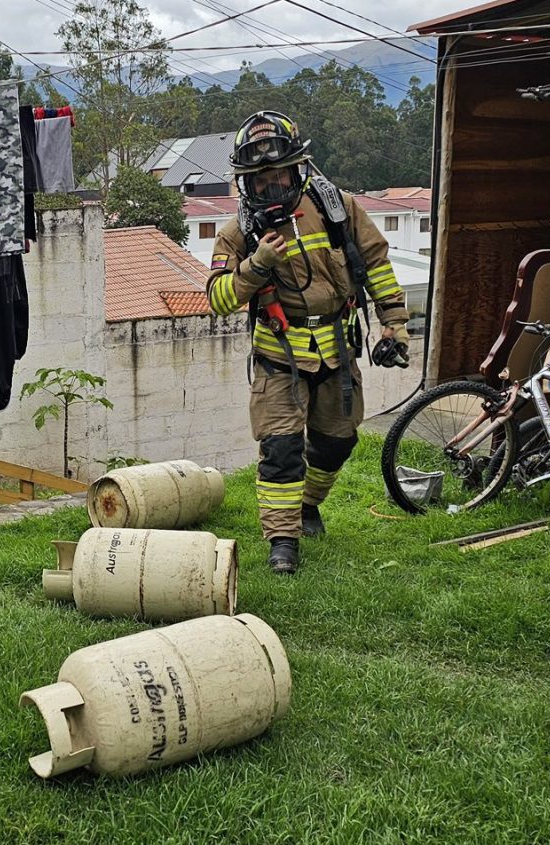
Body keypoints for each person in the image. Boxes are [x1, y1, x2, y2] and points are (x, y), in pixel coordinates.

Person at [206, 111, 410, 575]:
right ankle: (283, 542)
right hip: (279, 357)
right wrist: (256, 264)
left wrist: (394, 322)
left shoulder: (336, 207)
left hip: (337, 348)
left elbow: (375, 261)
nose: (272, 185)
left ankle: (308, 504)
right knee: (280, 450)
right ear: (246, 184)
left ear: (298, 168)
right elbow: (218, 298)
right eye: (260, 179)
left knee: (336, 441)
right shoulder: (238, 234)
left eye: (280, 173)